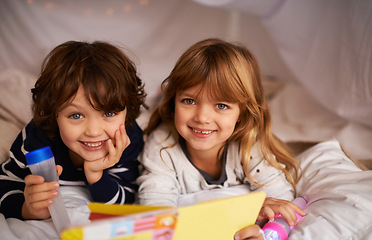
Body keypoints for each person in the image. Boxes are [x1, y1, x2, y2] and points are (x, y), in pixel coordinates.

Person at [137, 38, 305, 239]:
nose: (202, 118)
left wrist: (263, 218)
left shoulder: (250, 144)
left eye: (222, 105)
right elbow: (156, 209)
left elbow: (282, 199)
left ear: (242, 112)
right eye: (189, 101)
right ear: (174, 103)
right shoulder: (162, 145)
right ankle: (161, 97)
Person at [0, 41, 146, 221]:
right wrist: (26, 209)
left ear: (127, 111)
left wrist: (95, 174)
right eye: (76, 115)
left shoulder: (128, 138)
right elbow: (5, 185)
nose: (93, 131)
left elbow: (124, 201)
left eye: (109, 113)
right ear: (54, 115)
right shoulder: (37, 140)